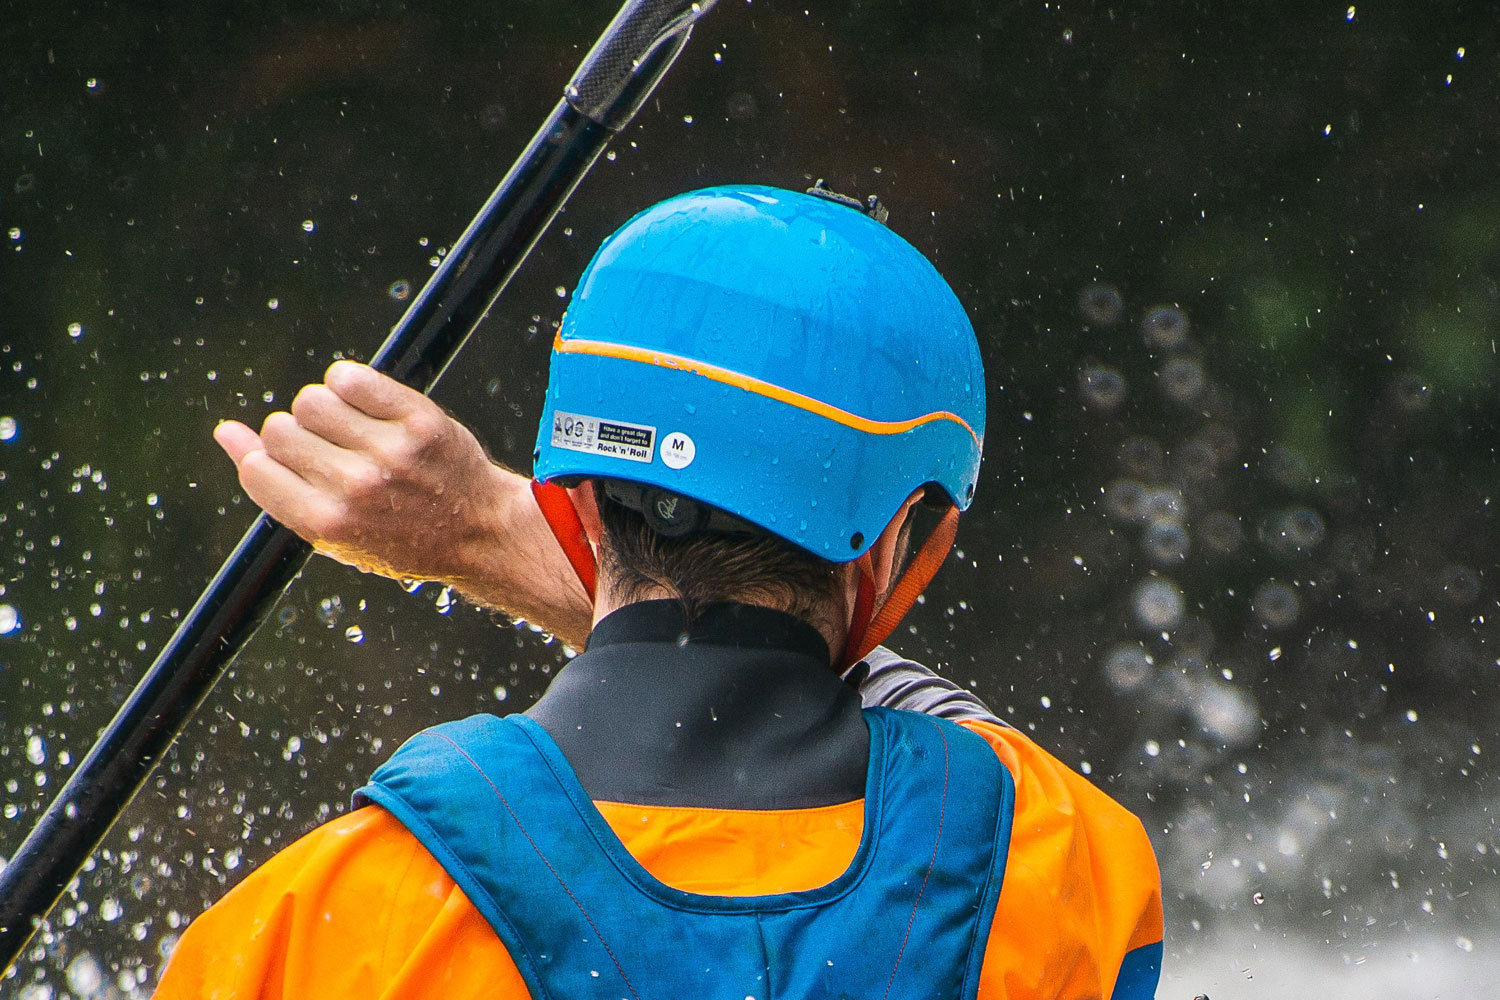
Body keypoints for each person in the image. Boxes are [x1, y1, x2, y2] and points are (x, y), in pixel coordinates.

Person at [154, 185, 1163, 999]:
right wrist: (484, 529)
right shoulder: (1064, 870)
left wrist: (484, 531)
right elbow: (957, 771)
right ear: (900, 539)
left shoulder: (303, 928)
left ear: (578, 504)